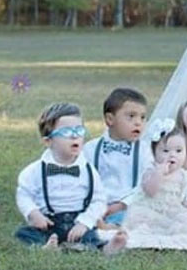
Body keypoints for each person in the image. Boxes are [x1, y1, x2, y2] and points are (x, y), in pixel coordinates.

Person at [15, 102, 126, 254]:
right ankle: (48, 246)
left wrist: (85, 223)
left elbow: (99, 200)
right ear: (48, 141)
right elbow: (24, 194)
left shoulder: (88, 170)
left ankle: (106, 248)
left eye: (79, 130)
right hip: (49, 222)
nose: (75, 136)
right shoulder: (35, 170)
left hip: (78, 221)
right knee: (24, 233)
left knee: (90, 235)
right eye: (66, 132)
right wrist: (33, 213)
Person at [124, 118, 187, 234]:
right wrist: (159, 173)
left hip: (172, 212)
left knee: (185, 219)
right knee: (150, 226)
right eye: (166, 151)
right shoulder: (151, 170)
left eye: (179, 151)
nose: (172, 155)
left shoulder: (184, 176)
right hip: (150, 211)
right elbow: (150, 191)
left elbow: (185, 199)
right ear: (154, 153)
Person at [83, 88, 152, 226]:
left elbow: (145, 185)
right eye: (131, 116)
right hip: (96, 205)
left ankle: (110, 229)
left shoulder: (145, 151)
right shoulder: (91, 149)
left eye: (142, 117)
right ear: (110, 119)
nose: (138, 122)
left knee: (137, 217)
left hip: (128, 206)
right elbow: (83, 180)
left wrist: (121, 205)